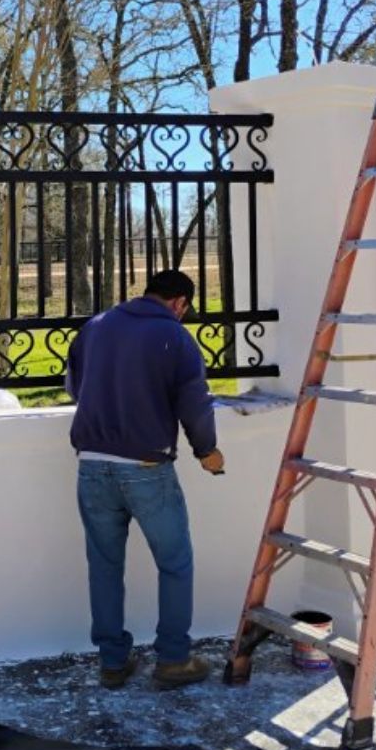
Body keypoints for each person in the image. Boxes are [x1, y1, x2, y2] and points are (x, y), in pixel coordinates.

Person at [65, 269, 225, 690]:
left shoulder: (96, 327)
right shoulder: (174, 337)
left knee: (103, 564)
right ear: (180, 303)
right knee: (174, 562)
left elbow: (76, 387)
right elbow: (195, 402)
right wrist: (206, 451)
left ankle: (112, 662)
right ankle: (173, 659)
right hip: (146, 468)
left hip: (92, 463)